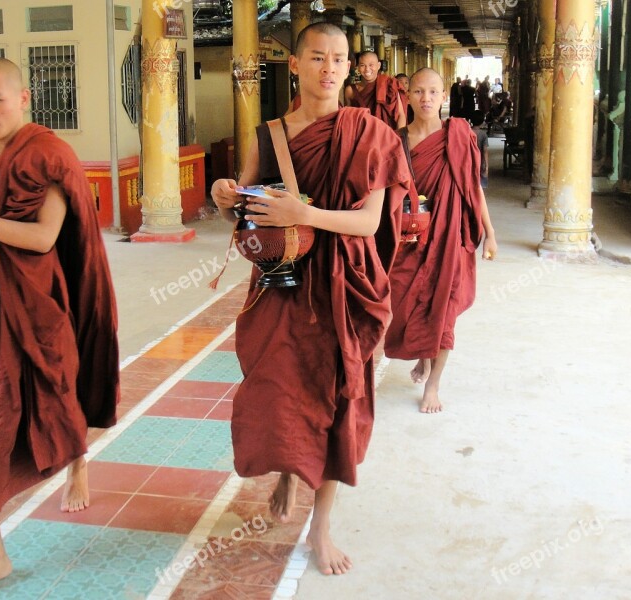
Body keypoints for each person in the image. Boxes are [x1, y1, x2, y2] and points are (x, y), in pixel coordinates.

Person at [211, 23, 407, 575]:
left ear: (349, 69)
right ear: (294, 65)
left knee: (334, 396)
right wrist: (223, 196)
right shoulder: (269, 134)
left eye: (339, 58)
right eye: (317, 57)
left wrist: (307, 215)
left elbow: (369, 222)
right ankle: (286, 469)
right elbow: (241, 210)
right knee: (278, 387)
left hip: (343, 285)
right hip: (282, 284)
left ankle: (320, 527)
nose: (329, 67)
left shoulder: (368, 132)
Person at [0, 58, 120, 597]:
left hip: (38, 304)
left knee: (58, 397)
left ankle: (77, 462)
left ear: (24, 98)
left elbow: (43, 238)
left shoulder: (48, 155)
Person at [384, 68, 497, 414]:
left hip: (450, 238)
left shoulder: (458, 135)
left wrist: (489, 233)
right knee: (409, 306)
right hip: (409, 238)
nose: (426, 99)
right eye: (418, 92)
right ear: (408, 96)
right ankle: (422, 355)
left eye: (433, 92)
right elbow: (386, 192)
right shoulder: (396, 140)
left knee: (444, 311)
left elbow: (473, 187)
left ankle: (434, 382)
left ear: (444, 95)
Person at [344, 51, 406, 129]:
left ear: (379, 65)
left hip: (387, 136)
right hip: (361, 138)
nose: (367, 69)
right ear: (358, 67)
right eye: (362, 65)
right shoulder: (350, 91)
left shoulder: (389, 85)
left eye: (371, 65)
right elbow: (348, 119)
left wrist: (398, 138)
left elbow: (400, 115)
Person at [469, 110, 490, 189]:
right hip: (479, 160)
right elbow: (485, 151)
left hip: (468, 160)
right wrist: (486, 166)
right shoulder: (483, 134)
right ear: (482, 121)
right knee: (480, 185)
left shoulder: (467, 131)